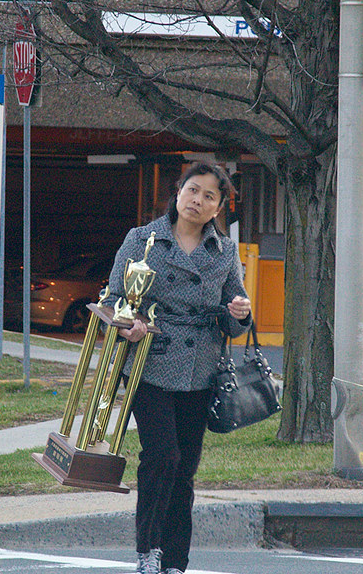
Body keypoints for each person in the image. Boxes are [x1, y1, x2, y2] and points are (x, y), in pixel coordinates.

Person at [103, 161, 252, 574]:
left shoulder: (224, 251)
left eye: (210, 196)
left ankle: (176, 561)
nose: (198, 201)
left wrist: (240, 312)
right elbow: (114, 296)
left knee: (184, 468)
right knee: (162, 456)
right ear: (178, 191)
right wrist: (128, 323)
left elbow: (234, 316)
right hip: (149, 363)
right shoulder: (142, 239)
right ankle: (147, 551)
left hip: (201, 369)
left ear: (220, 207)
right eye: (193, 190)